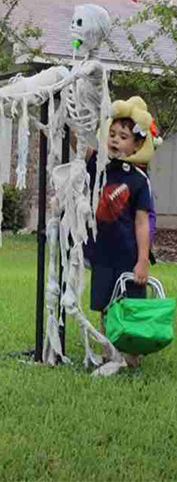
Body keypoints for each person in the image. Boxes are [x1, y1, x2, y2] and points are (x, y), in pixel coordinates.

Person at [86, 96, 161, 366]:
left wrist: (142, 260)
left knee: (130, 305)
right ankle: (109, 352)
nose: (115, 140)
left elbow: (142, 222)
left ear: (137, 144)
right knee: (105, 305)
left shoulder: (138, 180)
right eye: (112, 134)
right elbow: (79, 147)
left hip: (127, 255)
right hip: (101, 252)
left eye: (124, 136)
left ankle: (132, 356)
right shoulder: (97, 166)